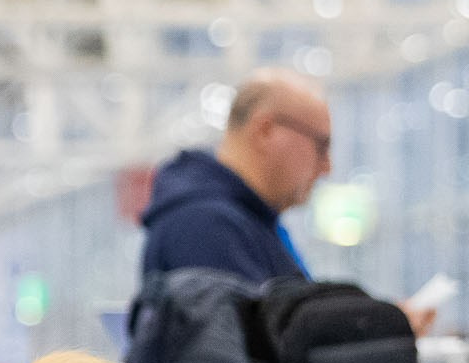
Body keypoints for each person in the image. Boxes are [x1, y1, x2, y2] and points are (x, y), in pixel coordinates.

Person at [139, 69, 331, 285]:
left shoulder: (248, 223)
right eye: (321, 146)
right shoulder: (205, 227)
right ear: (265, 131)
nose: (327, 167)